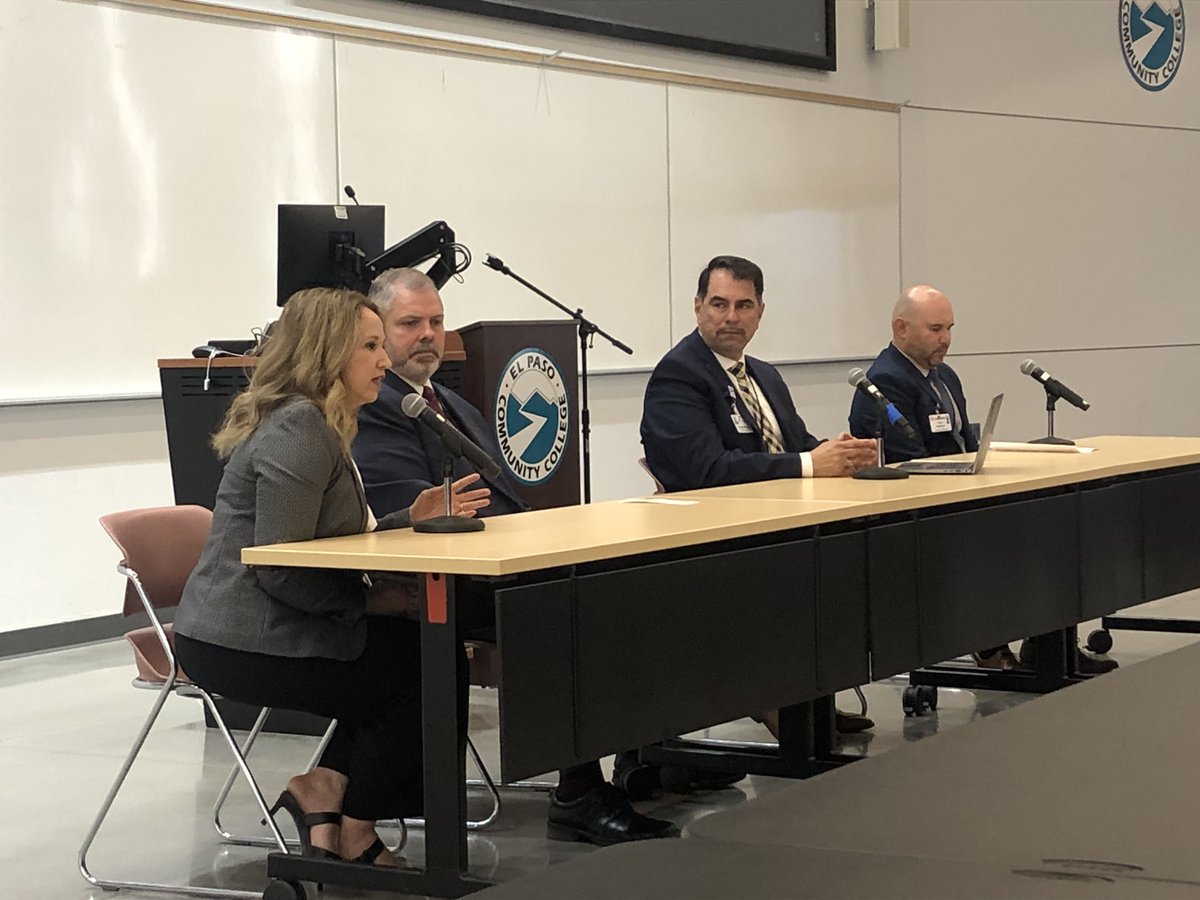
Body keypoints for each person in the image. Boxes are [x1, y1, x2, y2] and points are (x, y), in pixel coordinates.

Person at [353, 267, 683, 847]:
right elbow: (406, 513)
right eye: (410, 324)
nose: (428, 335)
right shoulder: (377, 405)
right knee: (568, 606)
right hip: (433, 581)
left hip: (497, 560)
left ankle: (643, 755)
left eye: (436, 322)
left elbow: (499, 493)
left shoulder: (447, 400)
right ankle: (579, 788)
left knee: (629, 583)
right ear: (375, 332)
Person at [173, 288, 490, 868]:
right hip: (239, 639)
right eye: (370, 346)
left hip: (271, 622)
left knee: (421, 650)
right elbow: (278, 565)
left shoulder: (323, 422)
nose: (385, 360)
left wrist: (405, 519)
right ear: (327, 355)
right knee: (417, 664)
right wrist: (372, 606)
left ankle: (328, 793)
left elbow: (330, 541)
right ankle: (356, 829)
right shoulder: (300, 429)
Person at [640, 255, 880, 734]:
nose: (731, 317)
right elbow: (706, 471)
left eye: (744, 305)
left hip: (777, 529)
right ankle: (780, 703)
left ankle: (807, 697)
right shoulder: (678, 376)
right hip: (710, 539)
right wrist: (812, 464)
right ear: (697, 308)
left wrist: (840, 454)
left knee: (846, 561)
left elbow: (795, 443)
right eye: (719, 304)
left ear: (760, 312)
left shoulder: (764, 375)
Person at [848, 284, 1117, 675]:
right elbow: (906, 462)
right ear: (901, 328)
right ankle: (991, 641)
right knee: (1015, 538)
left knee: (1054, 521)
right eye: (936, 329)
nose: (946, 340)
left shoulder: (944, 376)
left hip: (959, 493)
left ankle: (1049, 643)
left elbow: (962, 442)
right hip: (924, 512)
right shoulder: (886, 381)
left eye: (950, 329)